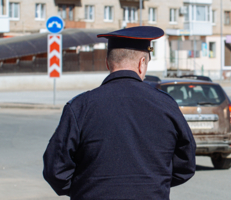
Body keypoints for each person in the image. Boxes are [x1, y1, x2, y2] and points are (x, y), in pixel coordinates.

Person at [43, 26, 196, 200]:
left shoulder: (80, 107)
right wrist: (152, 185)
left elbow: (55, 170)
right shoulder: (166, 105)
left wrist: (85, 188)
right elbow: (186, 164)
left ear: (108, 63)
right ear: (142, 63)